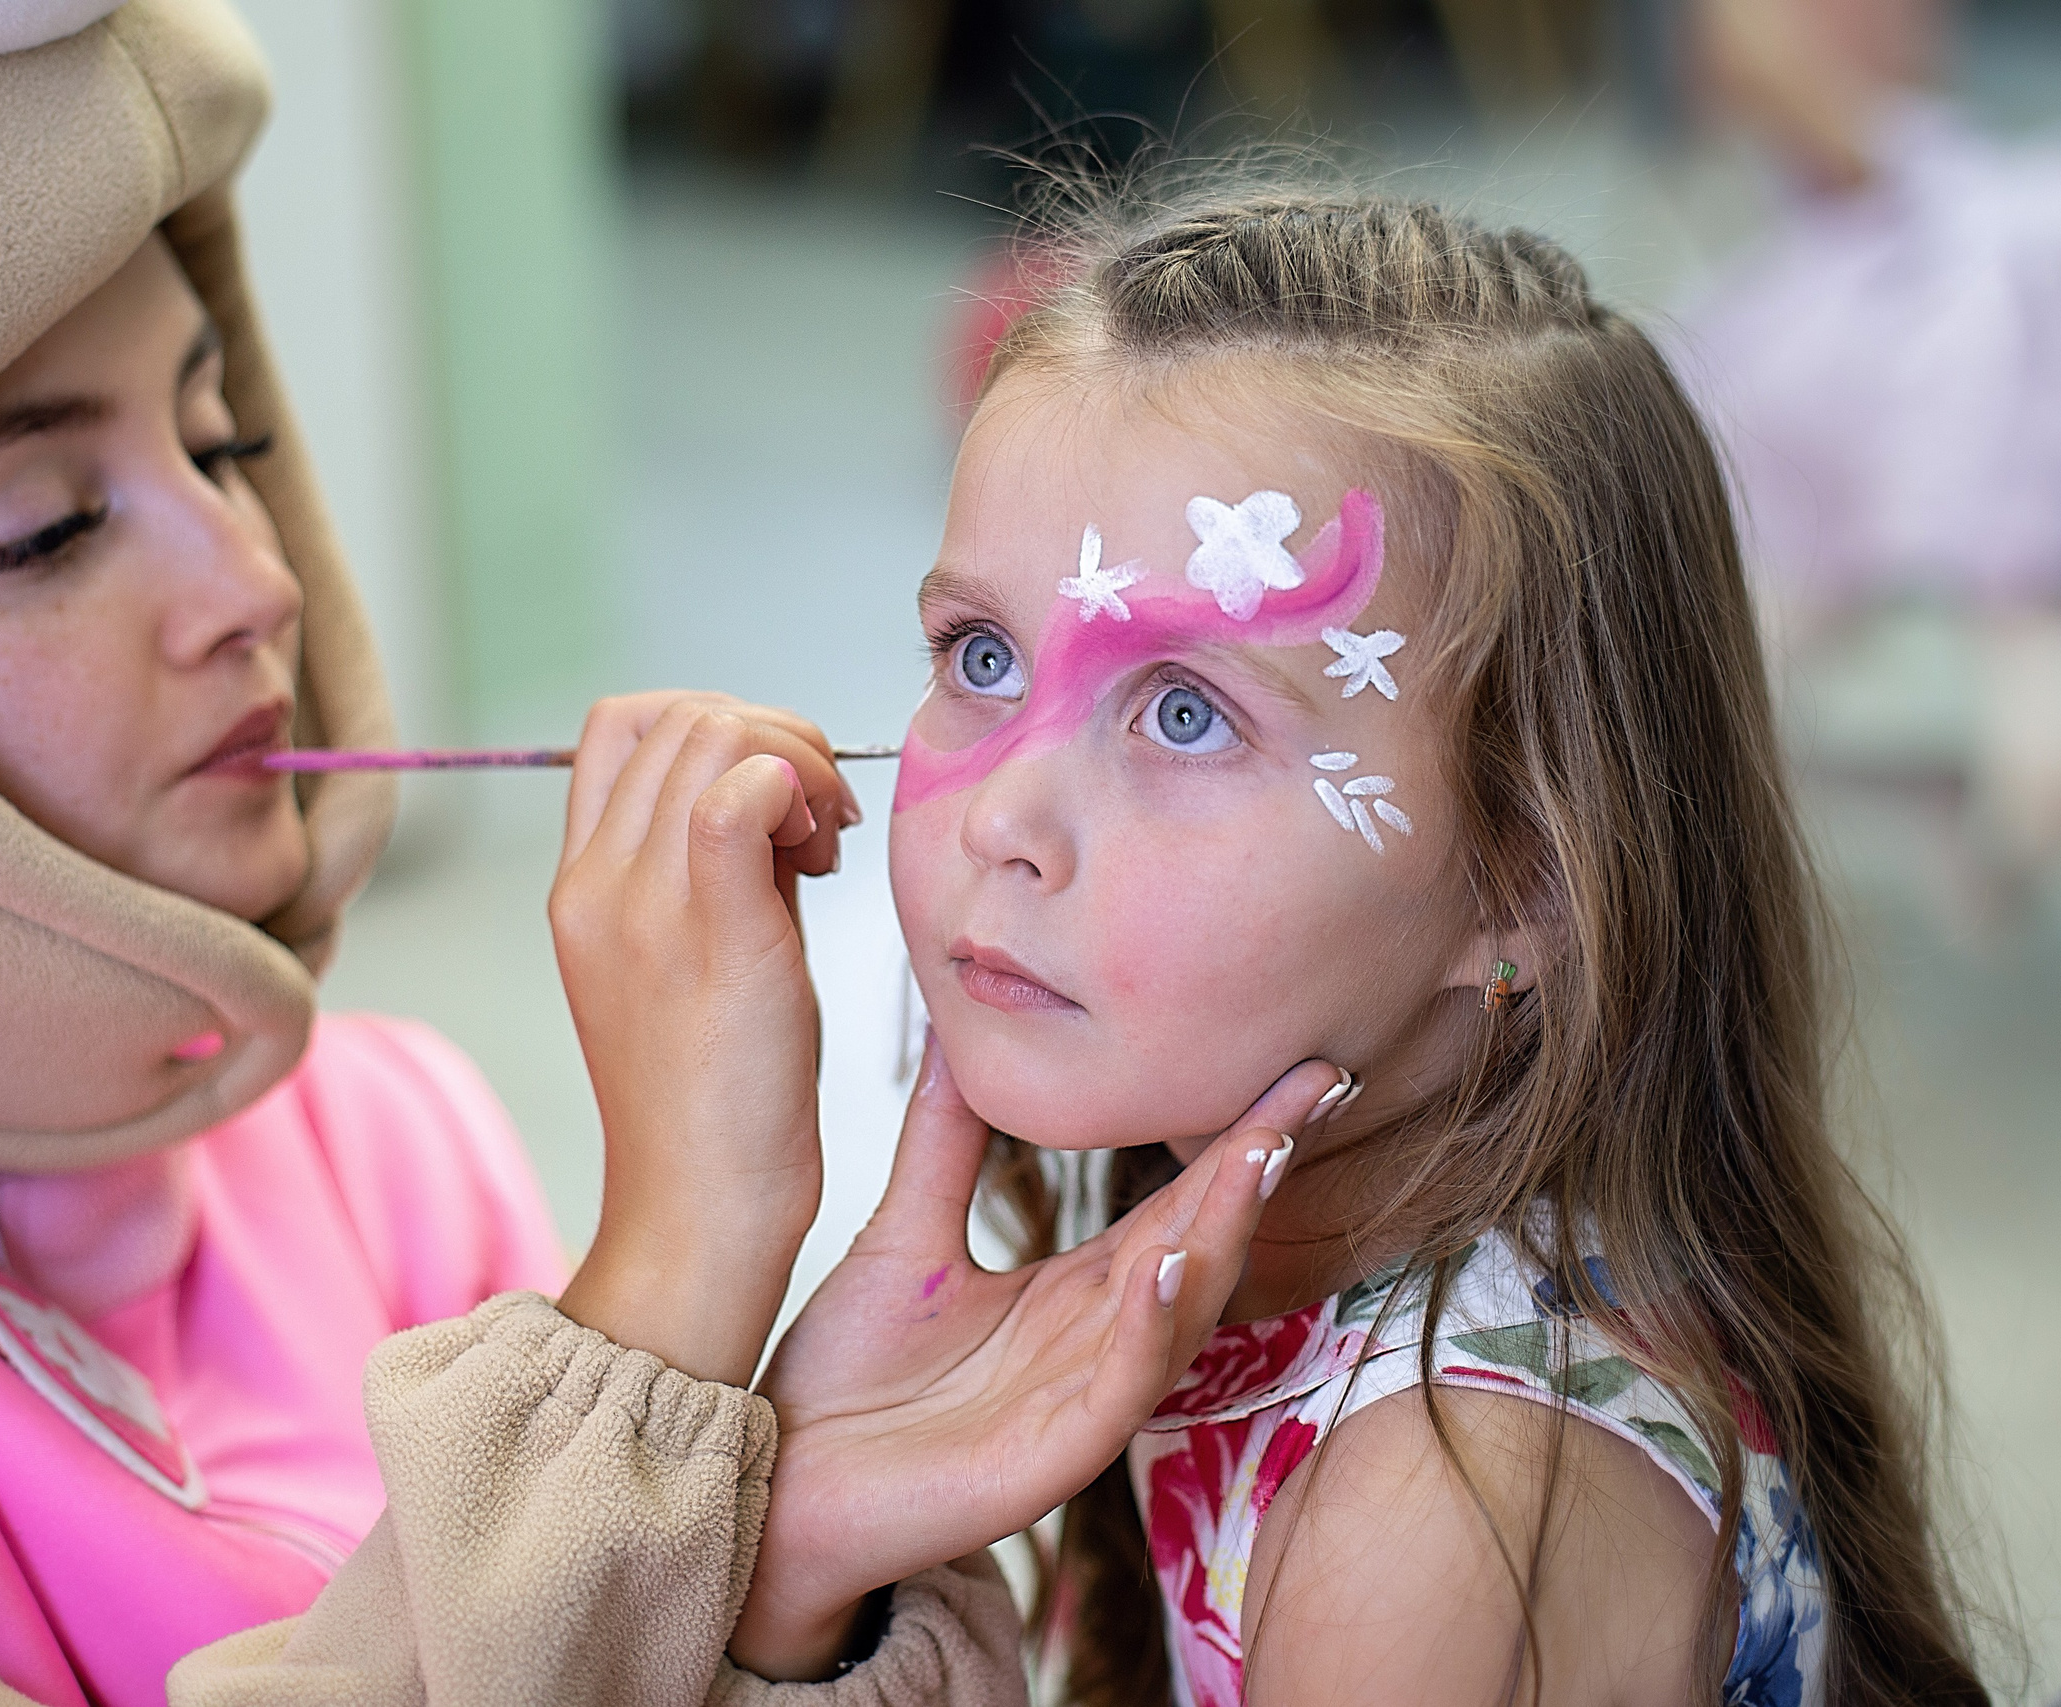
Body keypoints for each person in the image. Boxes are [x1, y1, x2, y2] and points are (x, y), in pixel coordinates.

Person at [0, 2, 1309, 1701]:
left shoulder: (382, 1144)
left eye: (224, 442)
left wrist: (786, 1590)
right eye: (48, 529)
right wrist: (660, 1296)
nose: (253, 583)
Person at [742, 181, 1993, 1705]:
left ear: (1525, 874)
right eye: (982, 656)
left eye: (1187, 713)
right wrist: (808, 1541)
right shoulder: (1299, 1251)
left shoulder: (1439, 1521)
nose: (1005, 809)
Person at [1672, 0, 2061, 912]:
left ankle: (1979, 809)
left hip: (1921, 311)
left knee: (1757, 656)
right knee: (1747, 661)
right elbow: (1782, 102)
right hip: (1891, 314)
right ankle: (1969, 808)